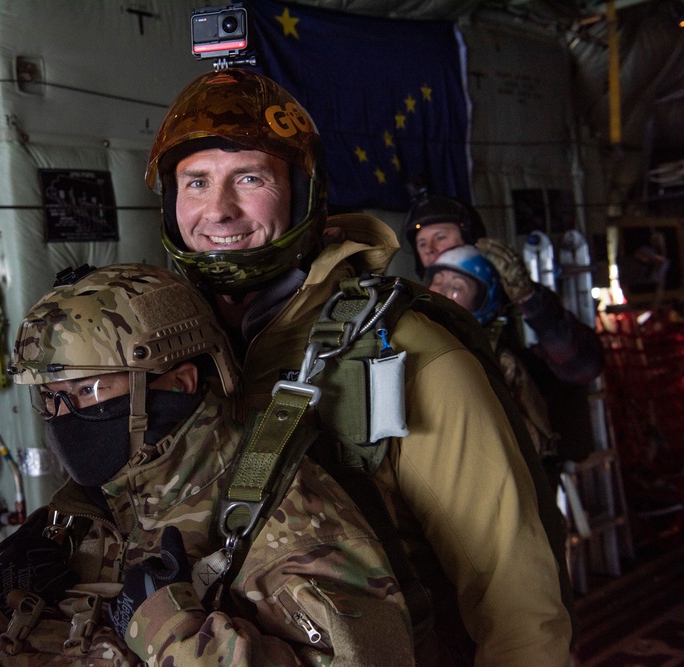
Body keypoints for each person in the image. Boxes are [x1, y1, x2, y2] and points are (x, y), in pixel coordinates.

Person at [145, 67, 573, 665]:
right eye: (194, 182)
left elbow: (519, 606)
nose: (218, 211)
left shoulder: (409, 355)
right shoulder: (168, 360)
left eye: (249, 178)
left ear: (302, 192)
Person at [0, 263, 415, 665]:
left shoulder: (282, 513)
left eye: (89, 391)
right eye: (51, 398)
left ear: (179, 382)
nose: (65, 417)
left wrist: (173, 634)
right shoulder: (78, 518)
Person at [403, 190, 604, 465]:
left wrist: (529, 300)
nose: (429, 249)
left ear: (471, 239)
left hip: (531, 465)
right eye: (422, 243)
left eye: (440, 237)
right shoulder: (419, 317)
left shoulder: (525, 306)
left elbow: (584, 366)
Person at [424, 245, 560, 473]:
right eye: (437, 279)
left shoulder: (498, 359)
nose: (441, 290)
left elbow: (537, 442)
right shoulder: (412, 336)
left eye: (457, 286)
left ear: (482, 302)